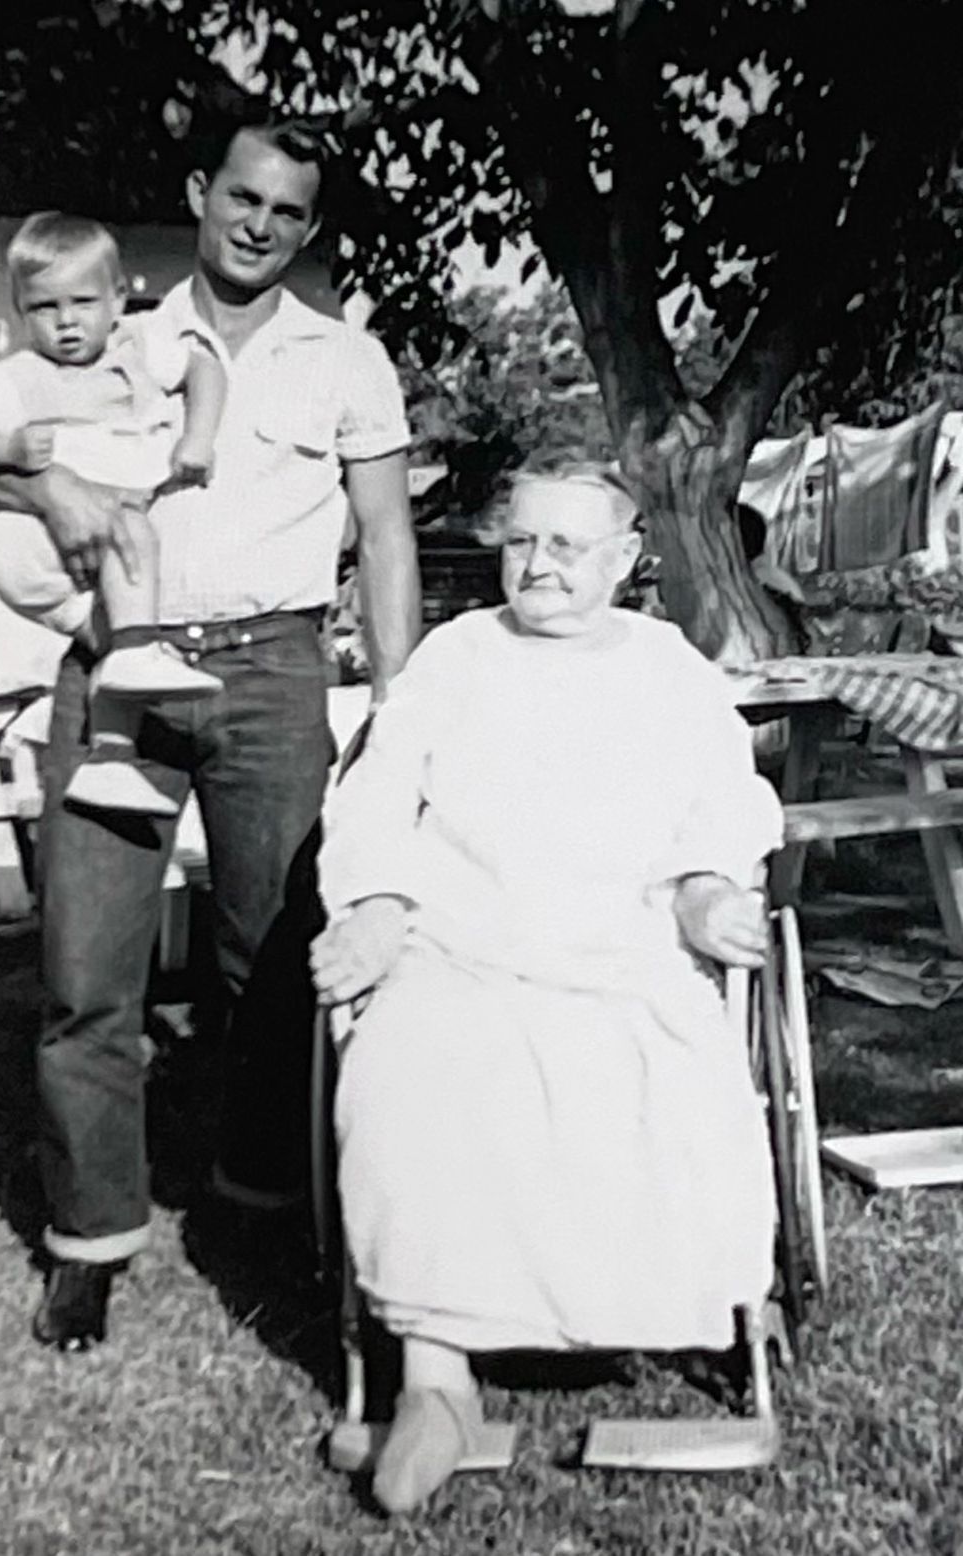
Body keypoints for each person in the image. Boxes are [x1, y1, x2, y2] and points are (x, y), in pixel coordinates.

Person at [0, 117, 422, 1350]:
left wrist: (404, 706)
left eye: (289, 212)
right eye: (243, 197)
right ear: (202, 192)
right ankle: (89, 1238)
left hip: (273, 671)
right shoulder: (118, 336)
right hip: (118, 669)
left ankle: (264, 1200)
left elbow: (387, 535)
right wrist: (50, 487)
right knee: (87, 971)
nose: (260, 225)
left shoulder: (347, 357)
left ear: (310, 228)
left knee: (275, 960)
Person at [312, 464, 784, 1515]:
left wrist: (708, 889)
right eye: (522, 542)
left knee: (667, 1077)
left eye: (567, 546)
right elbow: (376, 791)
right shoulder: (454, 656)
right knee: (411, 1064)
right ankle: (436, 1382)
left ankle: (670, 1313)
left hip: (627, 944)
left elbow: (724, 799)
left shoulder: (668, 668)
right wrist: (377, 902)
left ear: (624, 560)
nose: (539, 566)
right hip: (464, 938)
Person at [0, 211, 230, 817]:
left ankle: (110, 758)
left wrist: (198, 437)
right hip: (29, 542)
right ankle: (137, 655)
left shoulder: (140, 344)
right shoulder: (20, 376)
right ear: (20, 310)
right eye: (44, 307)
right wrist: (7, 447)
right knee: (133, 561)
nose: (66, 321)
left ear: (119, 298)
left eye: (83, 302)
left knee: (116, 645)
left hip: (69, 563)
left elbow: (206, 367)